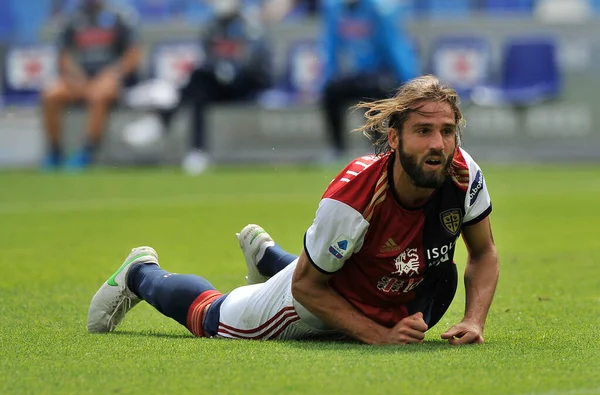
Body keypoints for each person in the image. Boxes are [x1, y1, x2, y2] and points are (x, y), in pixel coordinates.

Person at [88, 75, 499, 345]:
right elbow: (307, 287)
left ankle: (269, 257)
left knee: (433, 272)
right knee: (212, 318)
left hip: (384, 285)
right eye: (423, 131)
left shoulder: (463, 173)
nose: (438, 145)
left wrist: (474, 321)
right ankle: (141, 273)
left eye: (447, 132)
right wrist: (378, 335)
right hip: (312, 300)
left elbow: (483, 253)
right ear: (393, 140)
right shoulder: (352, 200)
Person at [122, 0, 273, 175]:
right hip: (219, 82)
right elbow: (208, 56)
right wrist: (220, 70)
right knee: (198, 89)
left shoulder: (249, 25)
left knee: (198, 79)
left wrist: (228, 70)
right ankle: (197, 152)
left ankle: (162, 121)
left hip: (247, 84)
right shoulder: (213, 26)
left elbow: (254, 62)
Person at [41, 0, 141, 170]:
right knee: (51, 94)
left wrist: (113, 73)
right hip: (79, 79)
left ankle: (86, 151)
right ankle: (54, 151)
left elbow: (134, 54)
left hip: (110, 79)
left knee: (99, 93)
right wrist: (75, 75)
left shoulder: (121, 15)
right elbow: (62, 54)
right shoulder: (72, 17)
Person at [320, 0, 419, 162]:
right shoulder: (334, 9)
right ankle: (337, 149)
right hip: (355, 73)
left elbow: (394, 46)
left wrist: (409, 82)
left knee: (373, 91)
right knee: (331, 91)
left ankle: (378, 147)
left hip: (380, 73)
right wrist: (325, 79)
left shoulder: (380, 9)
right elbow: (330, 45)